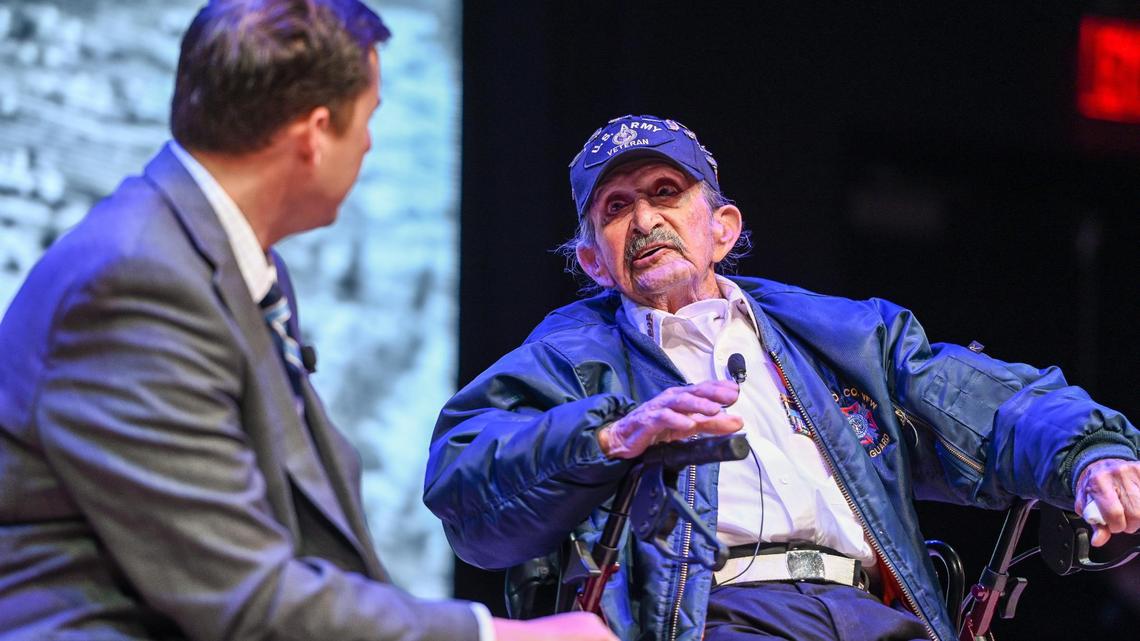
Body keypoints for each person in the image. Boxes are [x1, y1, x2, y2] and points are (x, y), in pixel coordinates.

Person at [0, 2, 616, 640]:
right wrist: (499, 637)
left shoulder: (227, 261)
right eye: (369, 117)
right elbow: (243, 598)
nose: (371, 142)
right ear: (316, 133)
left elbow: (304, 536)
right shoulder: (136, 280)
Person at [423, 114, 1140, 641]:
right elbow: (465, 486)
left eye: (666, 192)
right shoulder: (566, 356)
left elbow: (991, 403)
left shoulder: (843, 334)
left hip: (878, 616)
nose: (644, 220)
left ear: (722, 228)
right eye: (616, 208)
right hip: (712, 616)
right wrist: (612, 434)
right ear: (592, 263)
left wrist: (1091, 451)